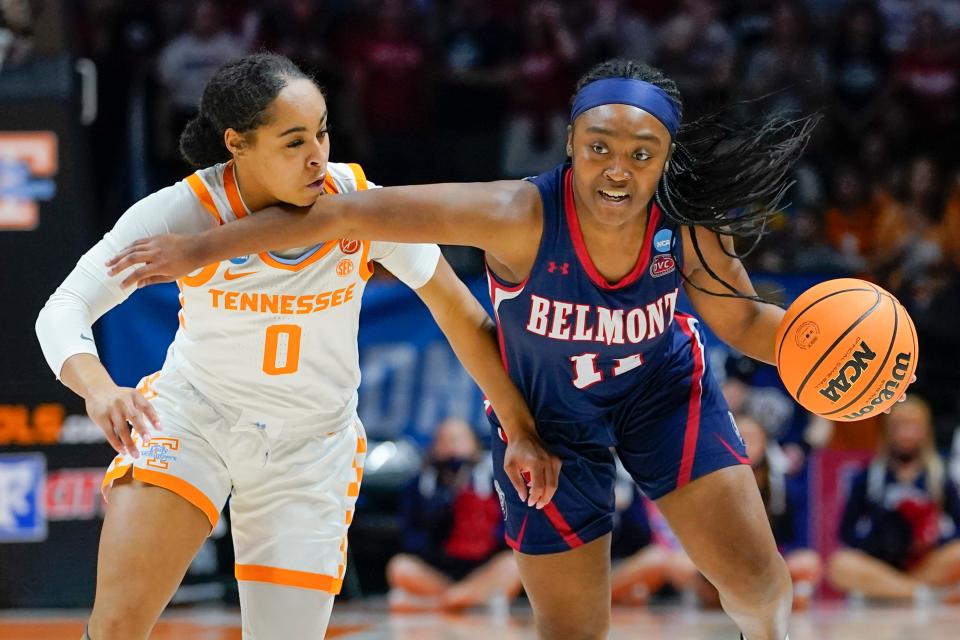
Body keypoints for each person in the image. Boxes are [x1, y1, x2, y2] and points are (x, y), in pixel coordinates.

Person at [108, 58, 828, 640]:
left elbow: (744, 323)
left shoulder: (687, 224)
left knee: (762, 587)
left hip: (663, 396)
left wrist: (826, 355)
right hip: (546, 421)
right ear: (571, 143)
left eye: (640, 154)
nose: (616, 169)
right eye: (599, 148)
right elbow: (340, 213)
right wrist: (199, 248)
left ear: (666, 158)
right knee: (573, 628)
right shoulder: (513, 213)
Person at [34, 53, 551, 640]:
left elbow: (456, 307)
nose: (318, 156)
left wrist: (519, 427)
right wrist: (98, 389)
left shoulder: (359, 202)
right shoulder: (184, 212)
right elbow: (65, 308)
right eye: (293, 141)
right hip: (194, 418)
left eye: (323, 131)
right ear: (238, 144)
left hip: (310, 447)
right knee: (118, 625)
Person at [827, 397, 960, 603]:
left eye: (914, 426)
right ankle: (920, 594)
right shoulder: (870, 475)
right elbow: (846, 532)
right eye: (900, 426)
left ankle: (889, 591)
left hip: (924, 564)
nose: (907, 434)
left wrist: (930, 537)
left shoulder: (939, 474)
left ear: (926, 431)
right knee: (840, 564)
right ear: (888, 431)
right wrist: (877, 539)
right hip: (881, 563)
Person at [386, 417, 521, 611]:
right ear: (434, 447)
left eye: (458, 439)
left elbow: (510, 524)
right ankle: (469, 599)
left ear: (474, 444)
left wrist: (485, 537)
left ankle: (437, 603)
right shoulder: (421, 483)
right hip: (439, 567)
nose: (451, 445)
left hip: (481, 564)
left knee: (514, 564)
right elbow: (408, 530)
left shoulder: (493, 478)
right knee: (399, 567)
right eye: (444, 440)